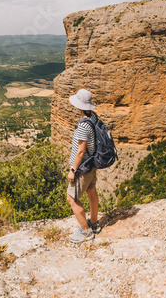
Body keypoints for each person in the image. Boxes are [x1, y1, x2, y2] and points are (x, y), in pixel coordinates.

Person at [66, 88, 101, 244]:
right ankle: (94, 223)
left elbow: (81, 151)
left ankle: (86, 232)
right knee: (91, 191)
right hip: (92, 164)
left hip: (83, 167)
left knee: (72, 198)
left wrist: (73, 170)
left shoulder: (83, 125)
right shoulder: (93, 118)